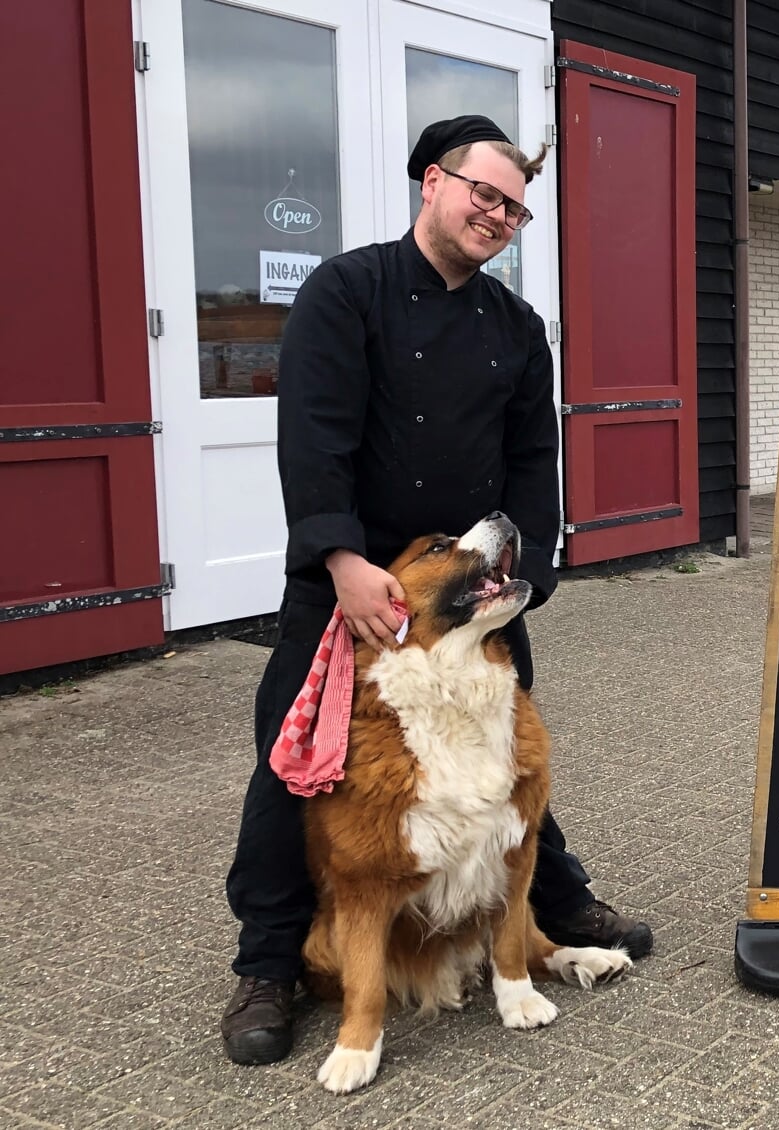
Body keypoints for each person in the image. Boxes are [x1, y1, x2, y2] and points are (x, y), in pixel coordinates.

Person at [221, 115, 655, 1066]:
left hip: (468, 583)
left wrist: (525, 571)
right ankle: (266, 963)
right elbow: (314, 436)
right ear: (433, 182)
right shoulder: (347, 291)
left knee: (500, 760)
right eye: (484, 193)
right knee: (293, 769)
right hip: (355, 585)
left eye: (515, 207)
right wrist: (339, 558)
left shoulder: (514, 326)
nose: (498, 215)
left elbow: (533, 457)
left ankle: (553, 898)